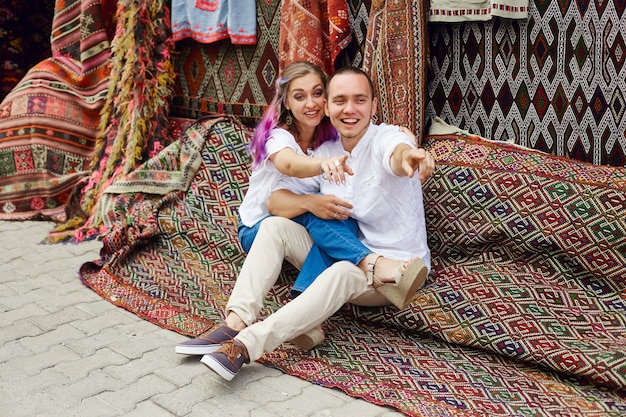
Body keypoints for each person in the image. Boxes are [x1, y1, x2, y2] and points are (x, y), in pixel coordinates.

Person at [175, 61, 433, 355]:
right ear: (328, 107)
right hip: (352, 251)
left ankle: (245, 345)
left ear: (374, 106)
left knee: (340, 268)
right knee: (283, 225)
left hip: (399, 272)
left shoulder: (384, 138)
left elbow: (396, 152)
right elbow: (275, 202)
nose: (349, 109)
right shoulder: (324, 152)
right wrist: (312, 202)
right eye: (340, 100)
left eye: (359, 100)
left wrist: (411, 154)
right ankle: (234, 322)